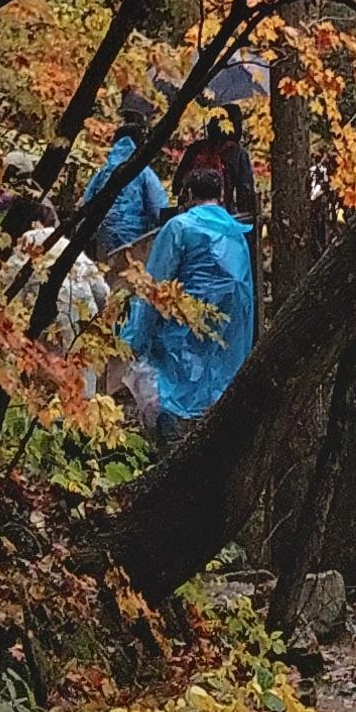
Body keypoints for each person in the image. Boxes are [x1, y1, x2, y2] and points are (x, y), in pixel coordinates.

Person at [123, 187, 256, 443]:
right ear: (220, 195)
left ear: (187, 194)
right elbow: (245, 293)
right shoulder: (236, 233)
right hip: (226, 330)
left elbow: (154, 287)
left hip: (181, 328)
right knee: (211, 395)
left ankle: (169, 449)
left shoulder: (179, 228)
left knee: (173, 391)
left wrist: (134, 339)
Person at [77, 85, 172, 265]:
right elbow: (158, 208)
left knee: (107, 276)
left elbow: (86, 202)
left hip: (103, 234)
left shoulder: (104, 171)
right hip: (134, 238)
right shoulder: (142, 171)